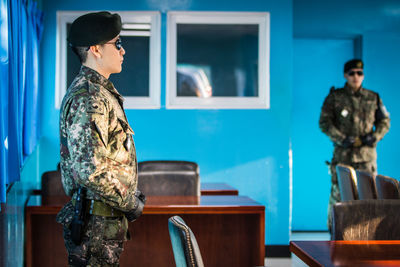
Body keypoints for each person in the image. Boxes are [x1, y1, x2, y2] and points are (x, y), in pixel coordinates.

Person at [56, 11, 145, 266]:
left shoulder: (99, 92)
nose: (123, 50)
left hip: (103, 221)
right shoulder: (89, 97)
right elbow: (89, 170)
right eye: (116, 43)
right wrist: (130, 201)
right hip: (95, 226)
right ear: (95, 49)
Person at [319, 59, 390, 232]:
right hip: (343, 155)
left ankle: (369, 236)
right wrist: (341, 138)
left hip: (366, 157)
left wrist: (374, 137)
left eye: (359, 73)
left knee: (370, 197)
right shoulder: (335, 97)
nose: (356, 77)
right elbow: (324, 123)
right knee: (338, 197)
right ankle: (335, 234)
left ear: (363, 75)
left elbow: (384, 121)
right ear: (345, 75)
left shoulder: (373, 97)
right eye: (352, 73)